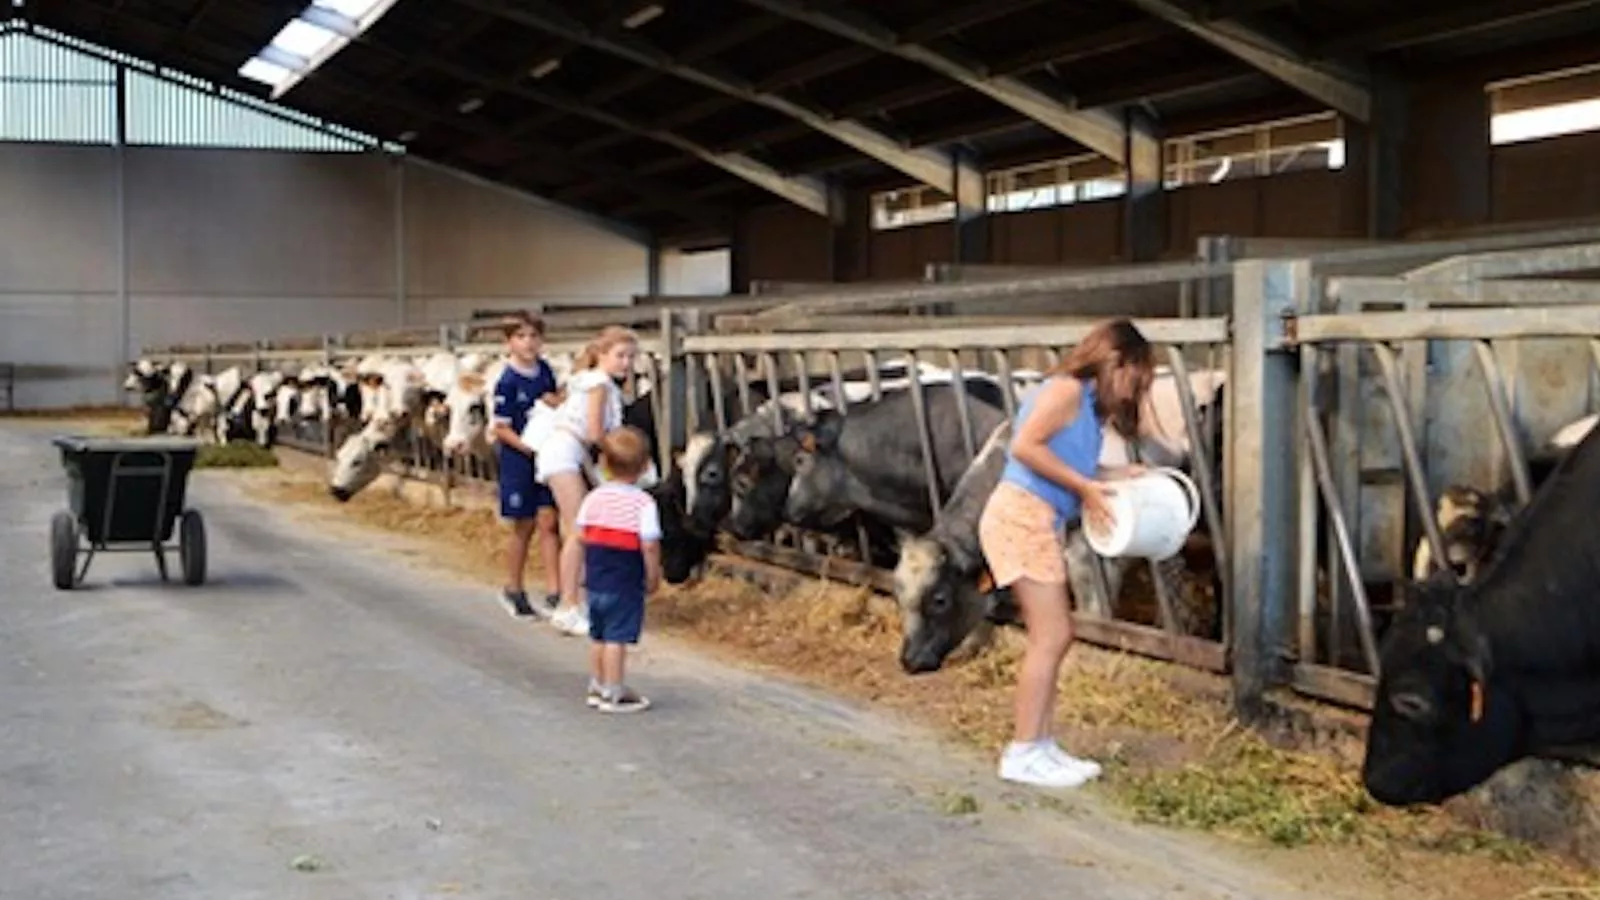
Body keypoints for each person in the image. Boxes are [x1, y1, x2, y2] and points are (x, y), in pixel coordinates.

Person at [977, 318, 1156, 789]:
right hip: (1021, 516)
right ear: (1116, 362)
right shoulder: (1066, 391)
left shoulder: (1087, 407)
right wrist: (1085, 488)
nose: (1132, 392)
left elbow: (1067, 463)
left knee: (1054, 636)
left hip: (1037, 518)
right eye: (1134, 379)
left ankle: (1040, 744)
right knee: (1051, 636)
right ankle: (1023, 751)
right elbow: (1025, 447)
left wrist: (1113, 476)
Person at [534, 325, 640, 637]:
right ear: (602, 354)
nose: (626, 363)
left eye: (631, 357)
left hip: (568, 452)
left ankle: (573, 601)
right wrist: (621, 454)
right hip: (566, 452)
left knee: (576, 528)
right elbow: (594, 432)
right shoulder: (599, 385)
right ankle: (568, 606)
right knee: (578, 530)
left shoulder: (589, 380)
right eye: (620, 355)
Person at [574, 425, 662, 713]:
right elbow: (649, 544)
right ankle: (614, 691)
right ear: (646, 466)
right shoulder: (643, 503)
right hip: (625, 580)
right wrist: (652, 575)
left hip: (596, 577)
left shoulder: (593, 498)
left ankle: (597, 684)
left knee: (598, 636)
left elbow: (580, 536)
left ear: (603, 463)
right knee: (617, 639)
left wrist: (581, 573)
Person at [488, 311, 562, 619]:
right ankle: (514, 587)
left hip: (545, 455)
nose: (528, 343)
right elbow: (501, 427)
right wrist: (528, 447)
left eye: (534, 336)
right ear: (509, 342)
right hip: (520, 459)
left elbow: (551, 400)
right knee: (524, 525)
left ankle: (556, 591)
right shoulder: (507, 381)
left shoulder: (544, 371)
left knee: (549, 520)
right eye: (521, 337)